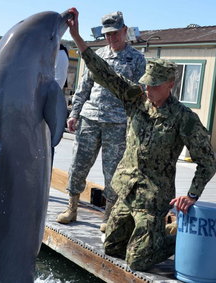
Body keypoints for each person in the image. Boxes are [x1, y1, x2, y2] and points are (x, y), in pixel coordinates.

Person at [66, 8, 216, 271]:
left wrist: (191, 195)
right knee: (111, 247)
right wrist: (77, 37)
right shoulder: (136, 99)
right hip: (127, 189)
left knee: (137, 260)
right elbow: (105, 73)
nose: (147, 89)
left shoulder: (184, 118)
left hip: (153, 198)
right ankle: (146, 234)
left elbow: (207, 162)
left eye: (154, 85)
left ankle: (175, 238)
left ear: (170, 84)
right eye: (146, 84)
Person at [56, 11, 146, 233]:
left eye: (115, 33)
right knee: (78, 164)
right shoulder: (97, 55)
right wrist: (74, 113)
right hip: (90, 118)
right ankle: (72, 208)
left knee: (113, 172)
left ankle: (109, 215)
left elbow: (141, 94)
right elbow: (84, 87)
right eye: (107, 34)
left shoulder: (137, 59)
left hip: (117, 123)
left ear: (125, 31)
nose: (111, 38)